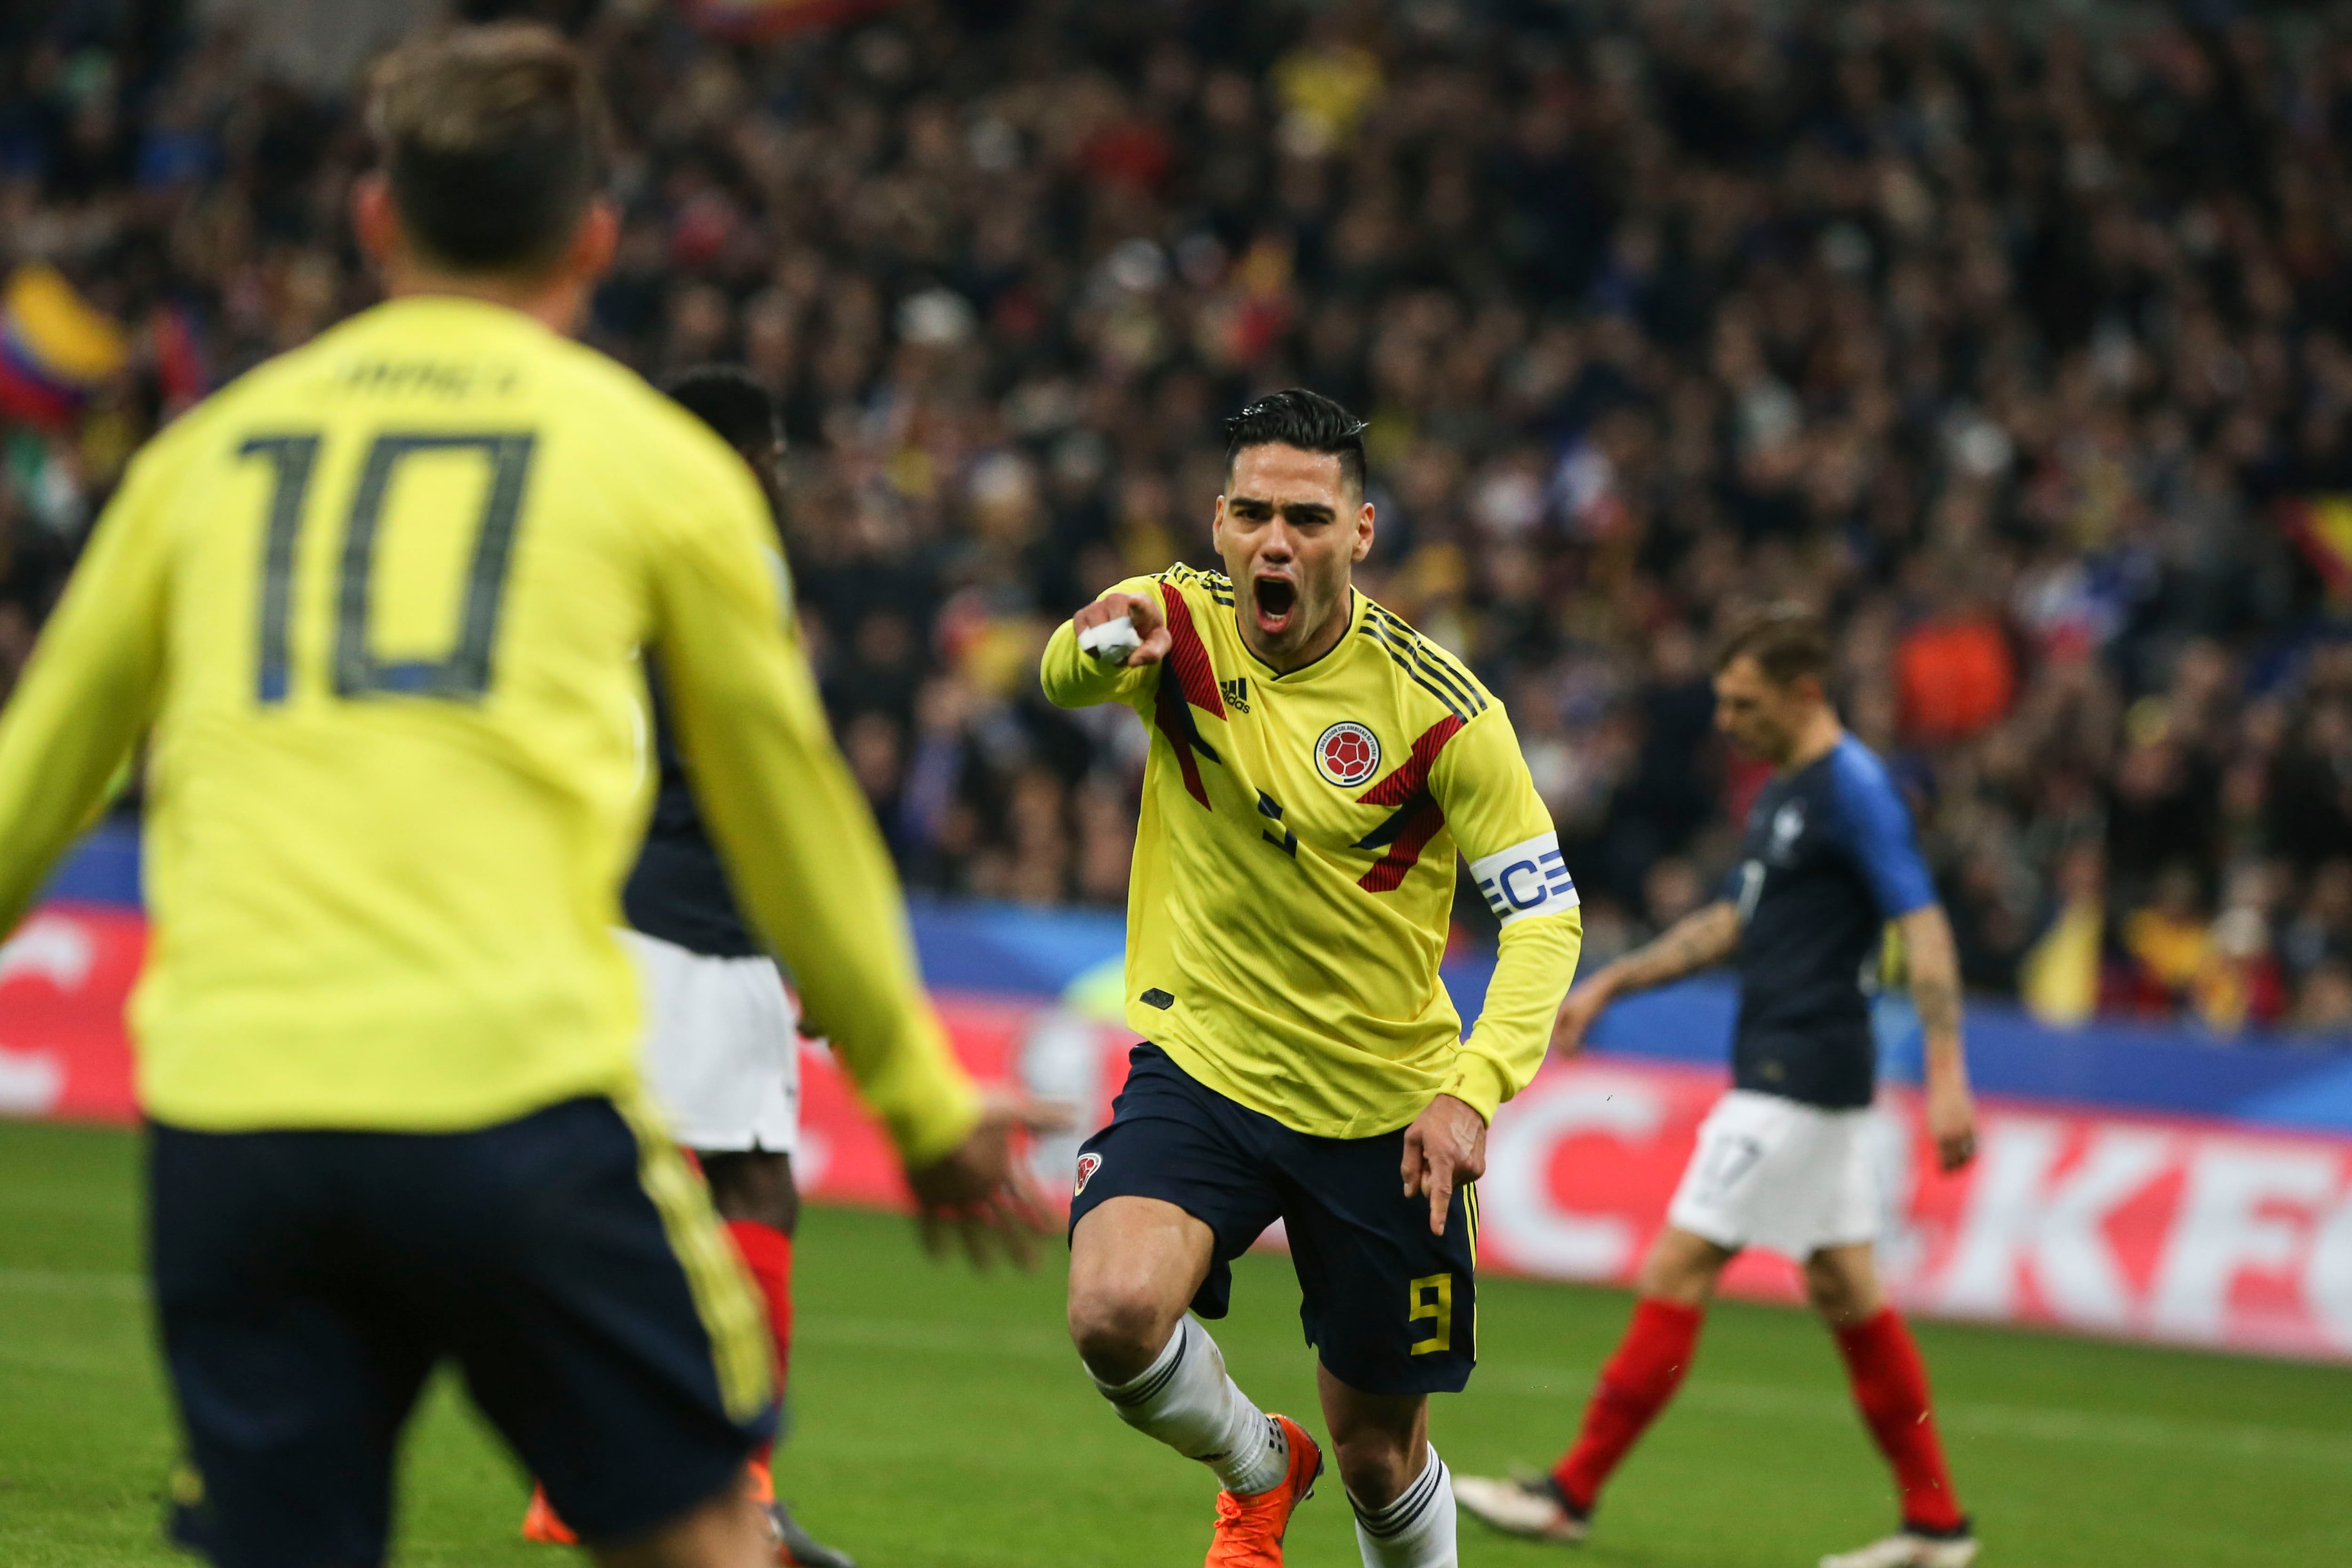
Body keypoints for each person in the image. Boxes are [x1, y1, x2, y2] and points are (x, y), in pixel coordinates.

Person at [0, 26, 1046, 1568]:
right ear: (594, 238)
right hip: (516, 1108)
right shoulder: (665, 474)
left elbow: (31, 793)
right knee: (702, 1530)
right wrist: (924, 1101)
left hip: (239, 1114)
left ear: (376, 219)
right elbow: (795, 807)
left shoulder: (203, 460)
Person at [1041, 389, 1584, 1568]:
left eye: (1304, 516)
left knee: (1380, 1457)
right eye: (1249, 514)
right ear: (1218, 521)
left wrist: (1471, 1090)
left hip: (1384, 1109)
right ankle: (1254, 1461)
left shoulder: (1446, 717)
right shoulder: (1175, 626)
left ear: (1361, 532)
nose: (1272, 541)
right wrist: (1102, 633)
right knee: (1113, 1312)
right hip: (1211, 1065)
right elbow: (1063, 677)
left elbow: (1544, 921)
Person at [1452, 606, 1983, 1568]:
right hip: (1797, 1071)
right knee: (1847, 1288)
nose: (1727, 721)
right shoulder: (1784, 794)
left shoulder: (1856, 790)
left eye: (1743, 704)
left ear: (1803, 693)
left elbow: (1926, 925)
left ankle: (1568, 1491)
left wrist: (1947, 1072)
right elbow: (1729, 924)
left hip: (1797, 1074)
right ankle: (1936, 1523)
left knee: (1678, 1266)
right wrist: (1614, 979)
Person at [515, 367, 853, 1568]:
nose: (780, 477)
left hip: (621, 906)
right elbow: (767, 762)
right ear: (746, 456)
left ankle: (576, 1476)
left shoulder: (607, 548)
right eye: (770, 452)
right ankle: (742, 1493)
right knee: (753, 1190)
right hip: (706, 916)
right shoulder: (731, 555)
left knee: (635, 1195)